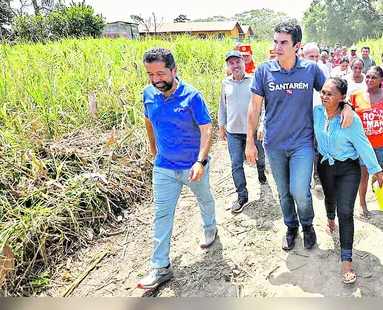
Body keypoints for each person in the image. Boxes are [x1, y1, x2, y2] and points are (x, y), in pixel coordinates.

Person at [246, 20, 355, 251]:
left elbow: (331, 92)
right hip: (274, 144)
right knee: (283, 192)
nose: (278, 47)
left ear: (297, 45)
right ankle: (291, 227)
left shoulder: (310, 69)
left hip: (302, 143)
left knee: (300, 191)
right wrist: (250, 142)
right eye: (276, 41)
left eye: (284, 42)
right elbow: (254, 108)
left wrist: (346, 106)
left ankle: (307, 225)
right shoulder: (264, 71)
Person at [138, 47, 217, 290]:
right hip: (164, 167)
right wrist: (154, 152)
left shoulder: (192, 96)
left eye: (160, 73)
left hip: (193, 167)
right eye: (150, 75)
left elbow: (206, 128)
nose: (155, 80)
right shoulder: (148, 94)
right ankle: (160, 266)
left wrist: (200, 161)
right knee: (162, 215)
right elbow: (149, 121)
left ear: (174, 70)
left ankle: (210, 228)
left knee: (204, 199)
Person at [314, 77, 383, 284]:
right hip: (325, 165)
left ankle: (346, 261)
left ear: (342, 98)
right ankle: (329, 218)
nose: (324, 96)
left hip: (348, 168)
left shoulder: (350, 119)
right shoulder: (316, 112)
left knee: (345, 212)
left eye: (330, 94)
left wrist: (377, 171)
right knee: (330, 199)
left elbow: (364, 145)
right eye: (323, 92)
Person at [218, 50, 268, 214]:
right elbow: (223, 106)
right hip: (233, 131)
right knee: (235, 164)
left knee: (260, 156)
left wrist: (261, 125)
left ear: (244, 62)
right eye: (231, 63)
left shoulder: (254, 81)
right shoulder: (226, 83)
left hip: (253, 131)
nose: (235, 65)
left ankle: (261, 171)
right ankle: (242, 195)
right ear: (228, 66)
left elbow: (263, 106)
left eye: (237, 62)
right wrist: (221, 126)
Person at [349, 65, 383, 217]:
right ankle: (362, 203)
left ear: (381, 80)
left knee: (379, 173)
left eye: (374, 78)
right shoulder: (355, 96)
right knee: (363, 174)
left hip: (382, 144)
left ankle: (381, 199)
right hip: (362, 145)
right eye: (368, 77)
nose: (370, 80)